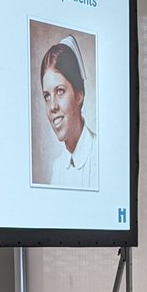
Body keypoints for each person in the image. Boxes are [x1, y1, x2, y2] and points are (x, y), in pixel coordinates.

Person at [40, 38, 98, 190]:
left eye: (60, 91)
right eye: (47, 96)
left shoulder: (100, 155)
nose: (52, 106)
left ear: (79, 95)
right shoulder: (57, 168)